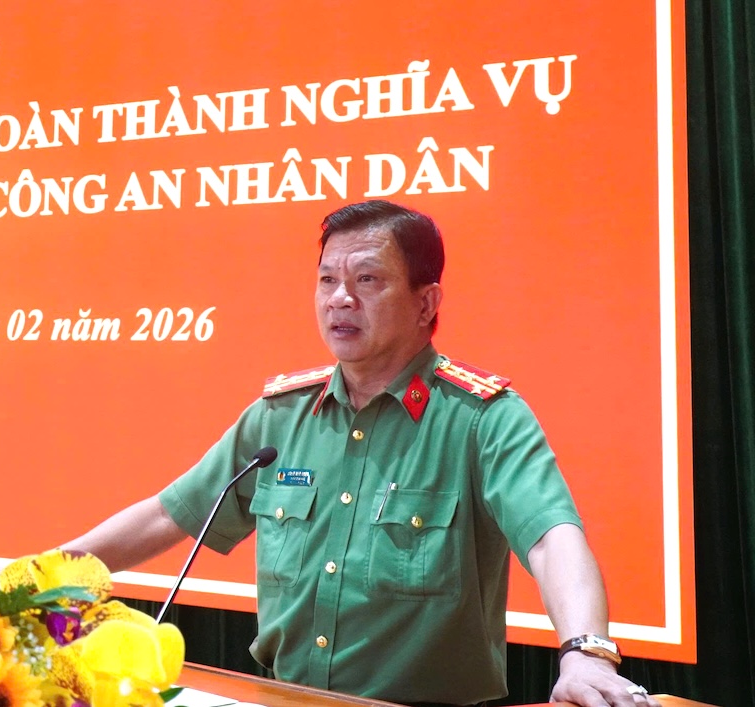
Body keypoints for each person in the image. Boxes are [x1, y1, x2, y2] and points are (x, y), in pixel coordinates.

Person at [60, 200, 657, 707]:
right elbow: (170, 514)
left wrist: (586, 653)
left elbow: (552, 538)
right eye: (327, 280)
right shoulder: (281, 415)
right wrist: (41, 579)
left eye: (367, 280)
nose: (340, 299)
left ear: (426, 303)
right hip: (283, 696)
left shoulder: (481, 418)